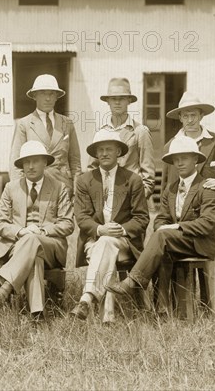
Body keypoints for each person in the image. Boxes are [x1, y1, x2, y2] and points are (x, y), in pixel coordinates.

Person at [106, 136, 215, 313]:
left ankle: (132, 282)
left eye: (184, 158)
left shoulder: (206, 187)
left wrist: (175, 227)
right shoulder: (171, 188)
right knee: (161, 245)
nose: (179, 163)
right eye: (176, 159)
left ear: (196, 160)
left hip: (200, 243)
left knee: (162, 237)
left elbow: (208, 223)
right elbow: (161, 218)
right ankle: (161, 309)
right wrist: (164, 226)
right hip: (175, 241)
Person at [0, 141, 74, 320]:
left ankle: (4, 291)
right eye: (26, 162)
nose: (30, 166)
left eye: (35, 161)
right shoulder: (11, 187)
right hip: (17, 246)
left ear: (45, 163)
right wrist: (21, 232)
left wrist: (41, 231)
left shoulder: (59, 187)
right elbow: (0, 224)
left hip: (51, 247)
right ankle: (38, 315)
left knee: (34, 240)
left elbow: (67, 224)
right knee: (34, 256)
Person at [70, 130, 149, 322]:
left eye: (109, 149)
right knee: (105, 243)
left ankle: (87, 297)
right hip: (95, 241)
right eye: (100, 150)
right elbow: (81, 217)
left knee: (108, 242)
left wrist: (121, 230)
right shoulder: (84, 180)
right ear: (96, 154)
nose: (104, 153)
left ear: (118, 153)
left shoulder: (133, 180)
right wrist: (100, 229)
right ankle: (108, 315)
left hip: (125, 243)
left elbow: (142, 218)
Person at [161, 91, 215, 232]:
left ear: (201, 116)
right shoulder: (170, 146)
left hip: (207, 218)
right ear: (180, 118)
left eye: (194, 115)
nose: (190, 120)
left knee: (203, 254)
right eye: (185, 116)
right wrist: (165, 218)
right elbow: (166, 186)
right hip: (177, 221)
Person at [9, 74, 81, 196]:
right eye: (42, 93)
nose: (47, 98)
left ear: (57, 97)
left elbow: (75, 162)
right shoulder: (25, 124)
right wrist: (19, 194)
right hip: (35, 189)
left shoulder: (67, 123)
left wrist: (77, 191)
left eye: (51, 93)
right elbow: (15, 163)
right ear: (34, 96)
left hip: (63, 188)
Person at [88, 78, 155, 202]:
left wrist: (136, 200)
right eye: (113, 98)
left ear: (129, 101)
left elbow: (148, 176)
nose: (117, 102)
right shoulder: (100, 131)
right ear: (108, 101)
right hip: (103, 199)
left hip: (131, 199)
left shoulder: (140, 131)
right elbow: (92, 168)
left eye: (122, 98)